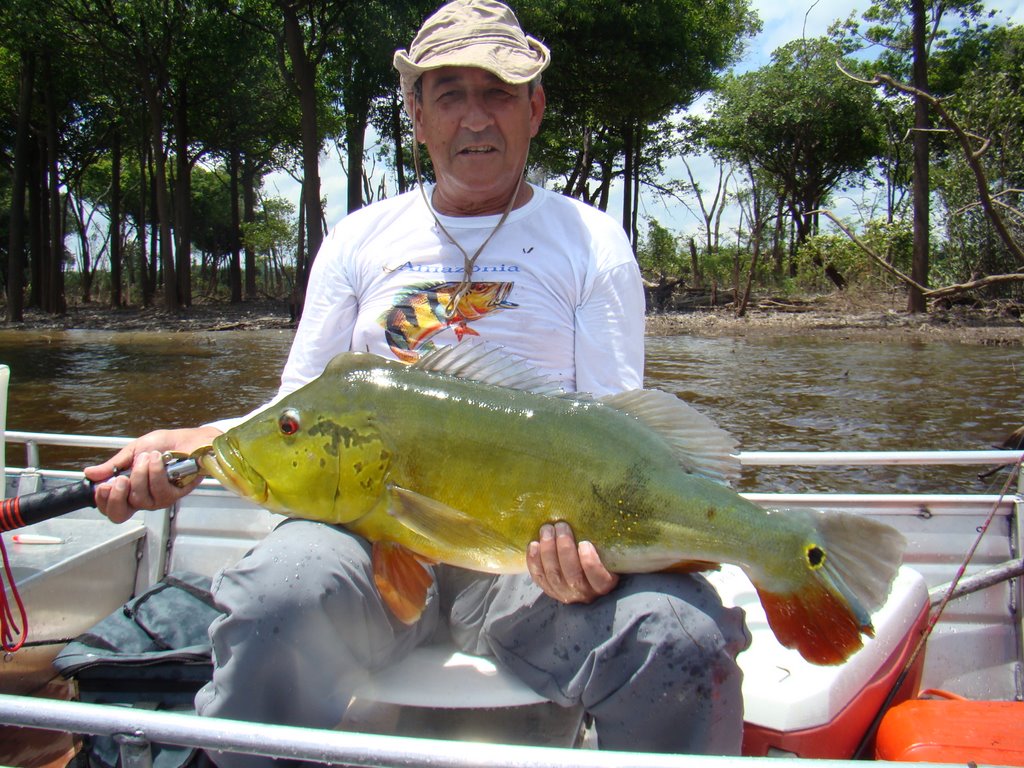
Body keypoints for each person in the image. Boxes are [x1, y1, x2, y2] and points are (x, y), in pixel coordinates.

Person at [86, 1, 749, 764]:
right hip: (366, 537)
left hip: (533, 560)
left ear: (534, 109)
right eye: (450, 94)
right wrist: (195, 447)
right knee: (276, 595)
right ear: (416, 113)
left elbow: (610, 433)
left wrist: (593, 554)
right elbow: (295, 412)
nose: (475, 118)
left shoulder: (590, 241)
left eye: (498, 92)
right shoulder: (359, 239)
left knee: (681, 638)